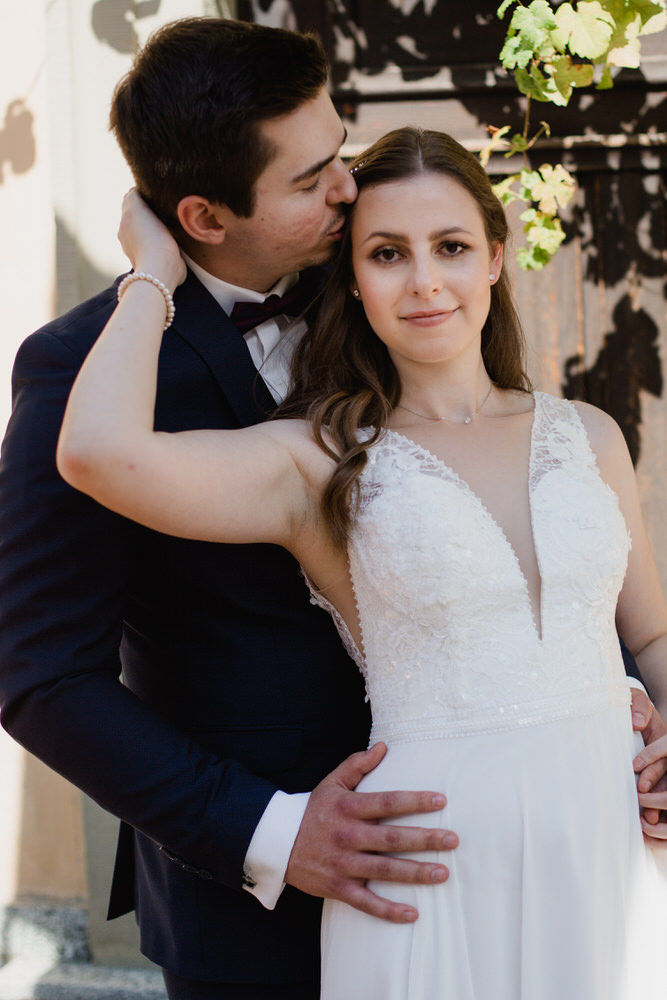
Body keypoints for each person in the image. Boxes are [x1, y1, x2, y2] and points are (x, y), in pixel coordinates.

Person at [57, 126, 667, 998]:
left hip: (613, 845)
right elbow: (96, 454)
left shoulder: (588, 434)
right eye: (387, 253)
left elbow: (647, 630)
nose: (424, 280)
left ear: (495, 257)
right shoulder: (317, 460)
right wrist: (154, 270)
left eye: (450, 247)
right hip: (431, 863)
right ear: (351, 276)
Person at [0, 20, 465, 1000]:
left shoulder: (398, 282)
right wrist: (271, 829)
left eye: (337, 152)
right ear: (204, 217)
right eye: (310, 180)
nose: (348, 187)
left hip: (482, 829)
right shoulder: (79, 374)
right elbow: (38, 672)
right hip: (261, 909)